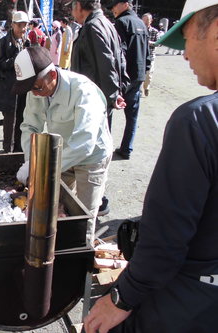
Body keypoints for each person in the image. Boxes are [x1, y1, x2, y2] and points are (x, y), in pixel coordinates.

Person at [84, 1, 218, 332]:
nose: (184, 55)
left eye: (186, 38)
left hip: (196, 293)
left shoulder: (199, 121)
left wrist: (121, 298)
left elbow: (167, 239)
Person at [14, 46, 113, 245]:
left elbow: (85, 142)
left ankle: (82, 256)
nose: (34, 93)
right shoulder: (38, 88)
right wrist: (30, 160)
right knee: (54, 204)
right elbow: (30, 125)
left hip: (92, 157)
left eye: (37, 87)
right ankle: (55, 246)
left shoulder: (83, 91)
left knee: (84, 215)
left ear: (52, 74)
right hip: (61, 152)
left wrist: (42, 168)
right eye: (30, 89)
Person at [70, 0, 128, 216]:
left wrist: (113, 95)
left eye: (72, 6)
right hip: (99, 97)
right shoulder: (105, 23)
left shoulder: (94, 26)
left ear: (79, 5)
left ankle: (97, 199)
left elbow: (107, 60)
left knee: (93, 150)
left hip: (93, 100)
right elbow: (119, 58)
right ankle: (95, 196)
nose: (71, 11)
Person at [107, 0, 149, 160]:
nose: (112, 9)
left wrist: (114, 76)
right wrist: (144, 71)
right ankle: (126, 148)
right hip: (138, 76)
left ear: (125, 4)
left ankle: (105, 147)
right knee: (132, 115)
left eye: (114, 5)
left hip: (123, 78)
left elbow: (118, 54)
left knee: (108, 111)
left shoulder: (121, 23)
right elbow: (147, 52)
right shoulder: (140, 23)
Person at [0, 11, 29, 153]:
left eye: (24, 25)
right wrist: (16, 59)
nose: (22, 28)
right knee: (9, 122)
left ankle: (18, 149)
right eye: (19, 25)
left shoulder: (26, 41)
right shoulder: (3, 42)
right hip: (8, 89)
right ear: (12, 25)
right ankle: (7, 151)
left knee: (22, 120)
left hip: (23, 88)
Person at [141, 13, 159, 97]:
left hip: (150, 55)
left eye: (147, 20)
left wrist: (149, 43)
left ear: (151, 21)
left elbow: (158, 43)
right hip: (140, 55)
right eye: (144, 20)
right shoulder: (139, 30)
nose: (145, 22)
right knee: (140, 73)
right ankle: (139, 89)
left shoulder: (155, 31)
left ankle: (146, 87)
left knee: (149, 74)